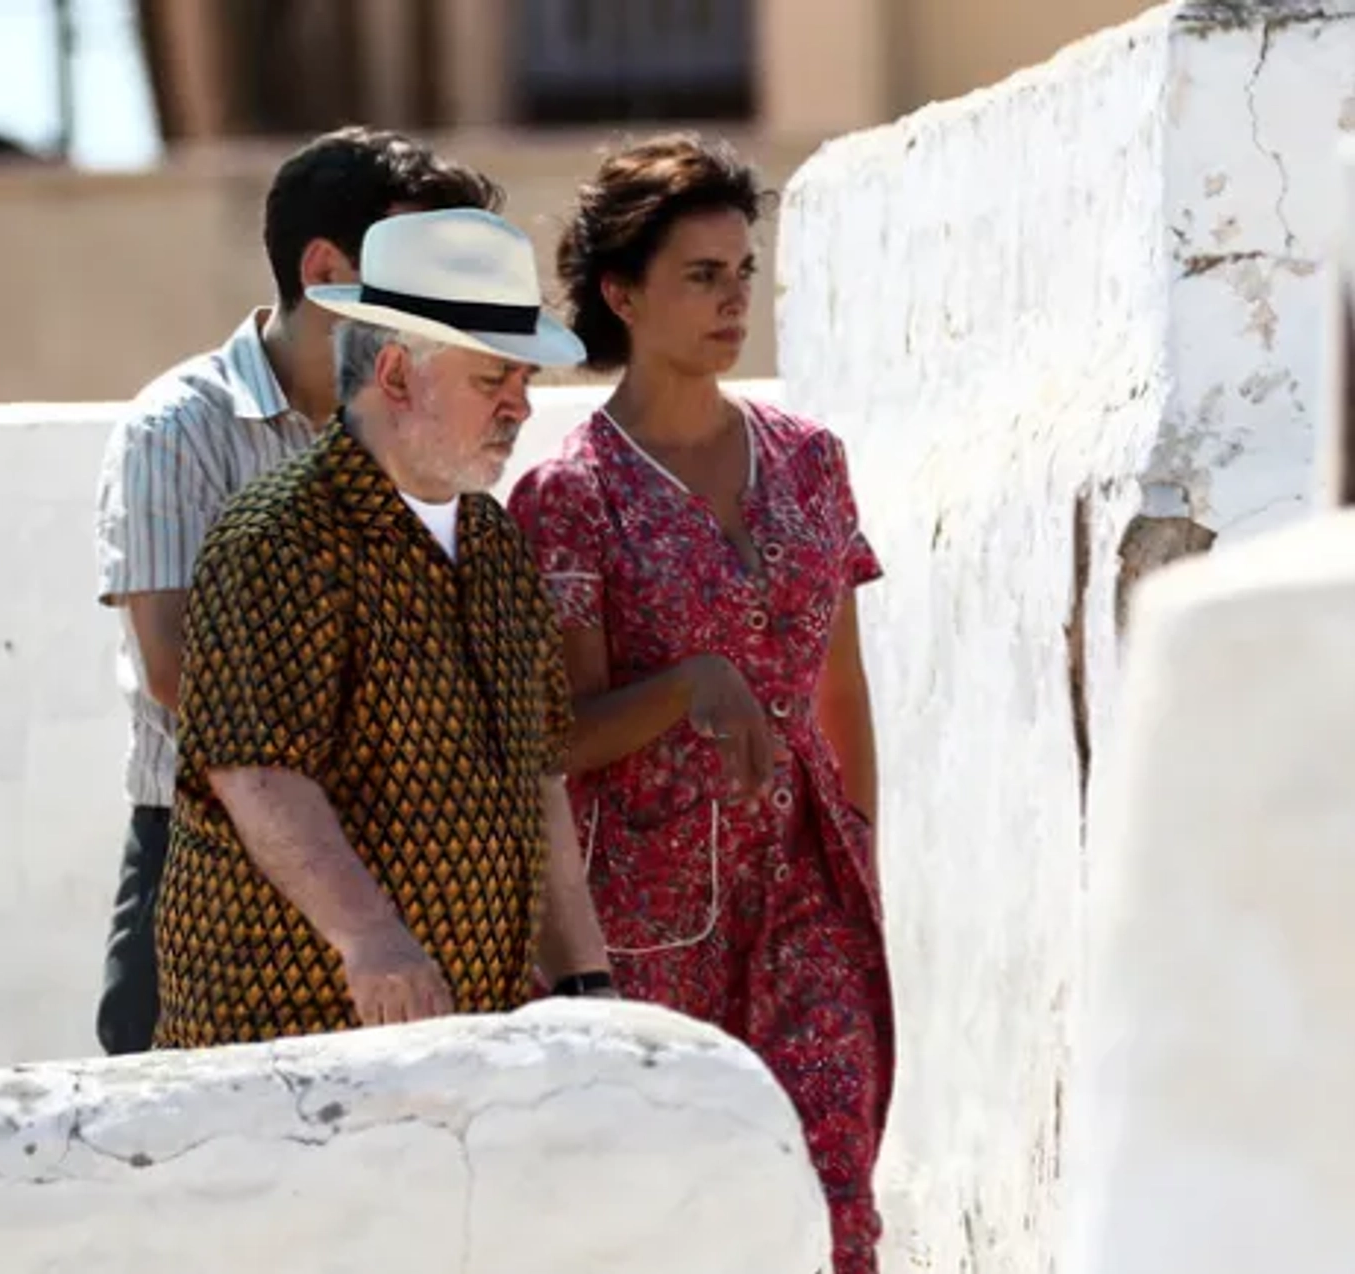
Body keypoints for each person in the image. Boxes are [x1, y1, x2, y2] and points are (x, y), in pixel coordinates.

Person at [506, 134, 893, 1274]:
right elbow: (559, 735)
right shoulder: (569, 494)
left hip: (809, 889)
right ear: (621, 293)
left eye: (743, 274)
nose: (734, 302)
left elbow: (841, 679)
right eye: (701, 276)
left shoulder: (812, 458)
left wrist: (855, 843)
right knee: (673, 1217)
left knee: (835, 1194)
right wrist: (684, 687)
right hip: (649, 916)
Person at [149, 207, 615, 1049]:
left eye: (524, 383)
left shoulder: (495, 543)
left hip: (465, 1037)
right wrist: (371, 938)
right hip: (292, 1040)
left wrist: (585, 979)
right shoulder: (278, 537)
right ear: (396, 375)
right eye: (492, 381)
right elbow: (255, 771)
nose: (519, 407)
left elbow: (538, 775)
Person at [91, 127, 504, 1055]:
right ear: (326, 269)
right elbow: (177, 669)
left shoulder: (428, 430)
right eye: (421, 268)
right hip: (209, 875)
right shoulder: (179, 429)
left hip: (406, 871)